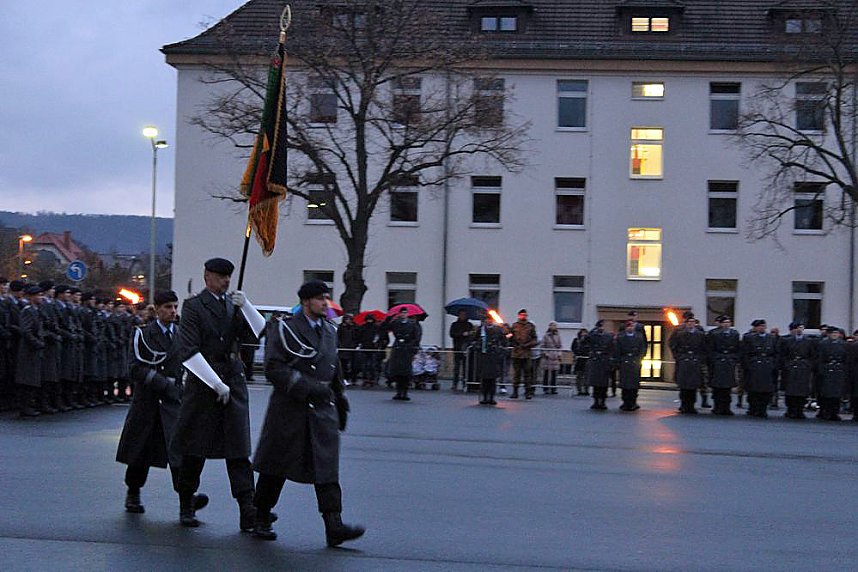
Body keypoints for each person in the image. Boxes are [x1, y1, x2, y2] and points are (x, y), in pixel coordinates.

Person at [251, 280, 364, 546]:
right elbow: (274, 368)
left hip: (323, 409)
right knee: (275, 466)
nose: (325, 303)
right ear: (305, 302)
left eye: (326, 298)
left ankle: (333, 525)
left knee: (326, 468)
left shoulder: (329, 330)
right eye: (319, 299)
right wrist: (308, 388)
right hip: (290, 408)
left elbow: (333, 366)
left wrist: (340, 397)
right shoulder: (284, 328)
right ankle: (261, 516)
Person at [173, 257, 260, 530]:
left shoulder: (232, 305)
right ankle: (186, 503)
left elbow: (259, 334)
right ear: (207, 276)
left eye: (228, 277)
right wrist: (214, 383)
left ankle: (248, 509)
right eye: (221, 277)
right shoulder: (194, 307)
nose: (226, 282)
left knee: (238, 451)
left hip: (232, 380)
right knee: (194, 449)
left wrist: (246, 306)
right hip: (203, 384)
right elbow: (189, 351)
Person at [116, 290, 209, 516]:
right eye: (167, 307)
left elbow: (192, 363)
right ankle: (133, 493)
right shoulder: (143, 334)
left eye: (175, 307)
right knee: (140, 451)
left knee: (180, 455)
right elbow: (136, 368)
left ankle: (187, 503)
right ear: (156, 309)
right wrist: (165, 385)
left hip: (174, 404)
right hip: (148, 401)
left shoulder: (181, 335)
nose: (172, 311)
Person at [15, 285, 45, 417]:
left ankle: (29, 405)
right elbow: (26, 330)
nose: (41, 298)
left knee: (32, 379)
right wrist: (37, 343)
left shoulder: (36, 310)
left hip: (34, 350)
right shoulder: (28, 310)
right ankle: (25, 407)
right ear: (32, 297)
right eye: (38, 295)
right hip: (28, 350)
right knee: (27, 379)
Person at [669, 312, 707, 414]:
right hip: (684, 361)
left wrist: (700, 359)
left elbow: (704, 347)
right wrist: (679, 357)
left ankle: (691, 405)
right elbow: (673, 345)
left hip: (695, 362)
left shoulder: (700, 334)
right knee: (684, 385)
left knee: (693, 385)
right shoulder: (679, 332)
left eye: (692, 322)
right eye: (689, 322)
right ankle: (684, 404)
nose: (691, 323)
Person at [741, 319, 779, 418]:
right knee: (754, 389)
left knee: (766, 389)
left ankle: (763, 408)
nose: (761, 328)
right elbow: (745, 353)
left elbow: (776, 353)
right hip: (754, 366)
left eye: (763, 326)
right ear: (756, 328)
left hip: (767, 365)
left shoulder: (771, 338)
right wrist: (748, 365)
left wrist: (774, 365)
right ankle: (753, 408)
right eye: (759, 326)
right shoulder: (749, 338)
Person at [779, 321, 816, 419]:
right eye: (797, 328)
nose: (799, 330)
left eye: (801, 327)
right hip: (791, 367)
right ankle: (791, 409)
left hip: (803, 368)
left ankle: (800, 410)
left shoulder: (809, 341)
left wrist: (808, 365)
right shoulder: (787, 341)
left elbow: (812, 355)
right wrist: (787, 365)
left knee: (802, 390)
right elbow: (783, 355)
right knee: (790, 390)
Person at [706, 315, 740, 415]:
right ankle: (717, 407)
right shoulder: (714, 334)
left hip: (729, 362)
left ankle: (726, 407)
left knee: (727, 387)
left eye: (728, 322)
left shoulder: (734, 334)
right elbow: (710, 349)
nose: (726, 324)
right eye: (724, 322)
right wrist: (714, 359)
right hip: (718, 362)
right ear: (721, 324)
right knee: (717, 387)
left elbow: (737, 348)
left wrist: (734, 358)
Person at [387, 308, 422, 401]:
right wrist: (390, 318)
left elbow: (417, 337)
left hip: (407, 349)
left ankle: (405, 392)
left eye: (405, 313)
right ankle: (398, 392)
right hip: (398, 349)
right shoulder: (396, 323)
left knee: (406, 372)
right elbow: (386, 327)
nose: (403, 314)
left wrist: (414, 348)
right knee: (397, 372)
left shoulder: (413, 324)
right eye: (402, 313)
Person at [472, 314, 506, 405]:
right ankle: (484, 396)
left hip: (493, 356)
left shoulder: (498, 329)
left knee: (492, 379)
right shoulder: (480, 329)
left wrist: (500, 349)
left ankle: (491, 397)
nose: (488, 321)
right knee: (484, 378)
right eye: (487, 319)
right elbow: (474, 340)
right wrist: (477, 345)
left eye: (490, 319)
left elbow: (504, 341)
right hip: (483, 355)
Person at [816, 326, 847, 421]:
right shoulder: (823, 343)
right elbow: (820, 358)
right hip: (827, 370)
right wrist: (822, 371)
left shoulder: (843, 344)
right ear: (829, 334)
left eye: (836, 333)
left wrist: (843, 370)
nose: (835, 335)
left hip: (838, 371)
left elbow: (845, 359)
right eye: (833, 333)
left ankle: (835, 412)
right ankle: (826, 412)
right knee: (827, 394)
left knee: (837, 394)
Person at [614, 319, 646, 411]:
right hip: (625, 362)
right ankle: (625, 402)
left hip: (635, 362)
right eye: (628, 326)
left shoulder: (639, 336)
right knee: (625, 384)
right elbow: (617, 350)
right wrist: (618, 362)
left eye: (631, 326)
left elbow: (642, 348)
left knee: (634, 384)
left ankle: (633, 402)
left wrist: (640, 358)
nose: (630, 328)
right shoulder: (620, 337)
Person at [509, 309, 537, 399]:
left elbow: (535, 339)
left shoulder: (530, 326)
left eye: (525, 315)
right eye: (521, 315)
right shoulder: (514, 325)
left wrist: (527, 345)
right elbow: (509, 337)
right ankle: (515, 391)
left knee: (527, 374)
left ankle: (527, 392)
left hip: (526, 353)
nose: (523, 316)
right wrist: (511, 340)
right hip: (516, 353)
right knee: (516, 374)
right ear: (518, 316)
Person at [586, 320, 614, 410]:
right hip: (596, 362)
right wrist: (592, 330)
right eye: (599, 327)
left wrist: (610, 361)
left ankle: (602, 401)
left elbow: (611, 349)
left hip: (604, 362)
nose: (601, 328)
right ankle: (596, 401)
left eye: (602, 327)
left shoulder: (609, 336)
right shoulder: (593, 336)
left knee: (603, 384)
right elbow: (585, 340)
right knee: (595, 384)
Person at [449, 310, 474, 391]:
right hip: (457, 347)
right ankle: (455, 383)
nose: (463, 316)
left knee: (466, 367)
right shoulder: (454, 324)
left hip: (466, 348)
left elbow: (472, 335)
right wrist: (462, 334)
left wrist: (470, 334)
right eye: (461, 314)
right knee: (456, 367)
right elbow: (452, 334)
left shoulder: (469, 325)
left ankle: (465, 383)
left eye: (464, 315)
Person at [357, 314, 383, 387]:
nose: (369, 321)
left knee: (372, 365)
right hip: (365, 347)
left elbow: (379, 337)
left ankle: (372, 379)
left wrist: (377, 343)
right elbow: (359, 336)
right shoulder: (363, 327)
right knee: (365, 365)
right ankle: (365, 379)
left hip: (373, 348)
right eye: (368, 320)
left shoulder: (376, 328)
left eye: (371, 320)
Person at [541, 322, 562, 395]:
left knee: (554, 373)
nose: (553, 327)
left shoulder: (558, 336)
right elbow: (543, 345)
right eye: (552, 325)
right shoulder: (546, 336)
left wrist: (559, 354)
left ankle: (553, 388)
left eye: (555, 325)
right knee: (546, 372)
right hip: (548, 356)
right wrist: (546, 353)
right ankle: (545, 388)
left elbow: (560, 345)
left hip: (555, 356)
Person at [337, 314, 359, 386]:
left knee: (354, 365)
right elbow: (338, 337)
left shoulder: (355, 327)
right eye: (347, 319)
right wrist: (340, 346)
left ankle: (353, 379)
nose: (348, 321)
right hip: (343, 349)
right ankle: (344, 379)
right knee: (344, 365)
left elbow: (357, 337)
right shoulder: (340, 328)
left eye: (349, 319)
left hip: (352, 349)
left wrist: (355, 345)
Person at [571, 328, 590, 396]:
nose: (584, 334)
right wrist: (577, 353)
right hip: (579, 359)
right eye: (582, 333)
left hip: (586, 359)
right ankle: (579, 390)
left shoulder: (589, 341)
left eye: (585, 333)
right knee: (579, 375)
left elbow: (590, 348)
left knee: (586, 375)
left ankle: (586, 390)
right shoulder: (576, 340)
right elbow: (573, 348)